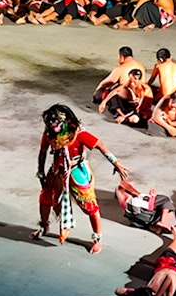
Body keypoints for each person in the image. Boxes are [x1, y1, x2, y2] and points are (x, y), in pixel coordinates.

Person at [33, 104, 127, 254]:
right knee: (45, 198)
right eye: (50, 123)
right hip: (57, 170)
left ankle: (97, 239)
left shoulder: (78, 133)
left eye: (55, 123)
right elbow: (43, 151)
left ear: (65, 121)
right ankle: (44, 226)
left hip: (76, 171)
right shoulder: (49, 133)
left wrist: (116, 163)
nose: (52, 126)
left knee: (90, 206)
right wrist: (40, 172)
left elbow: (100, 146)